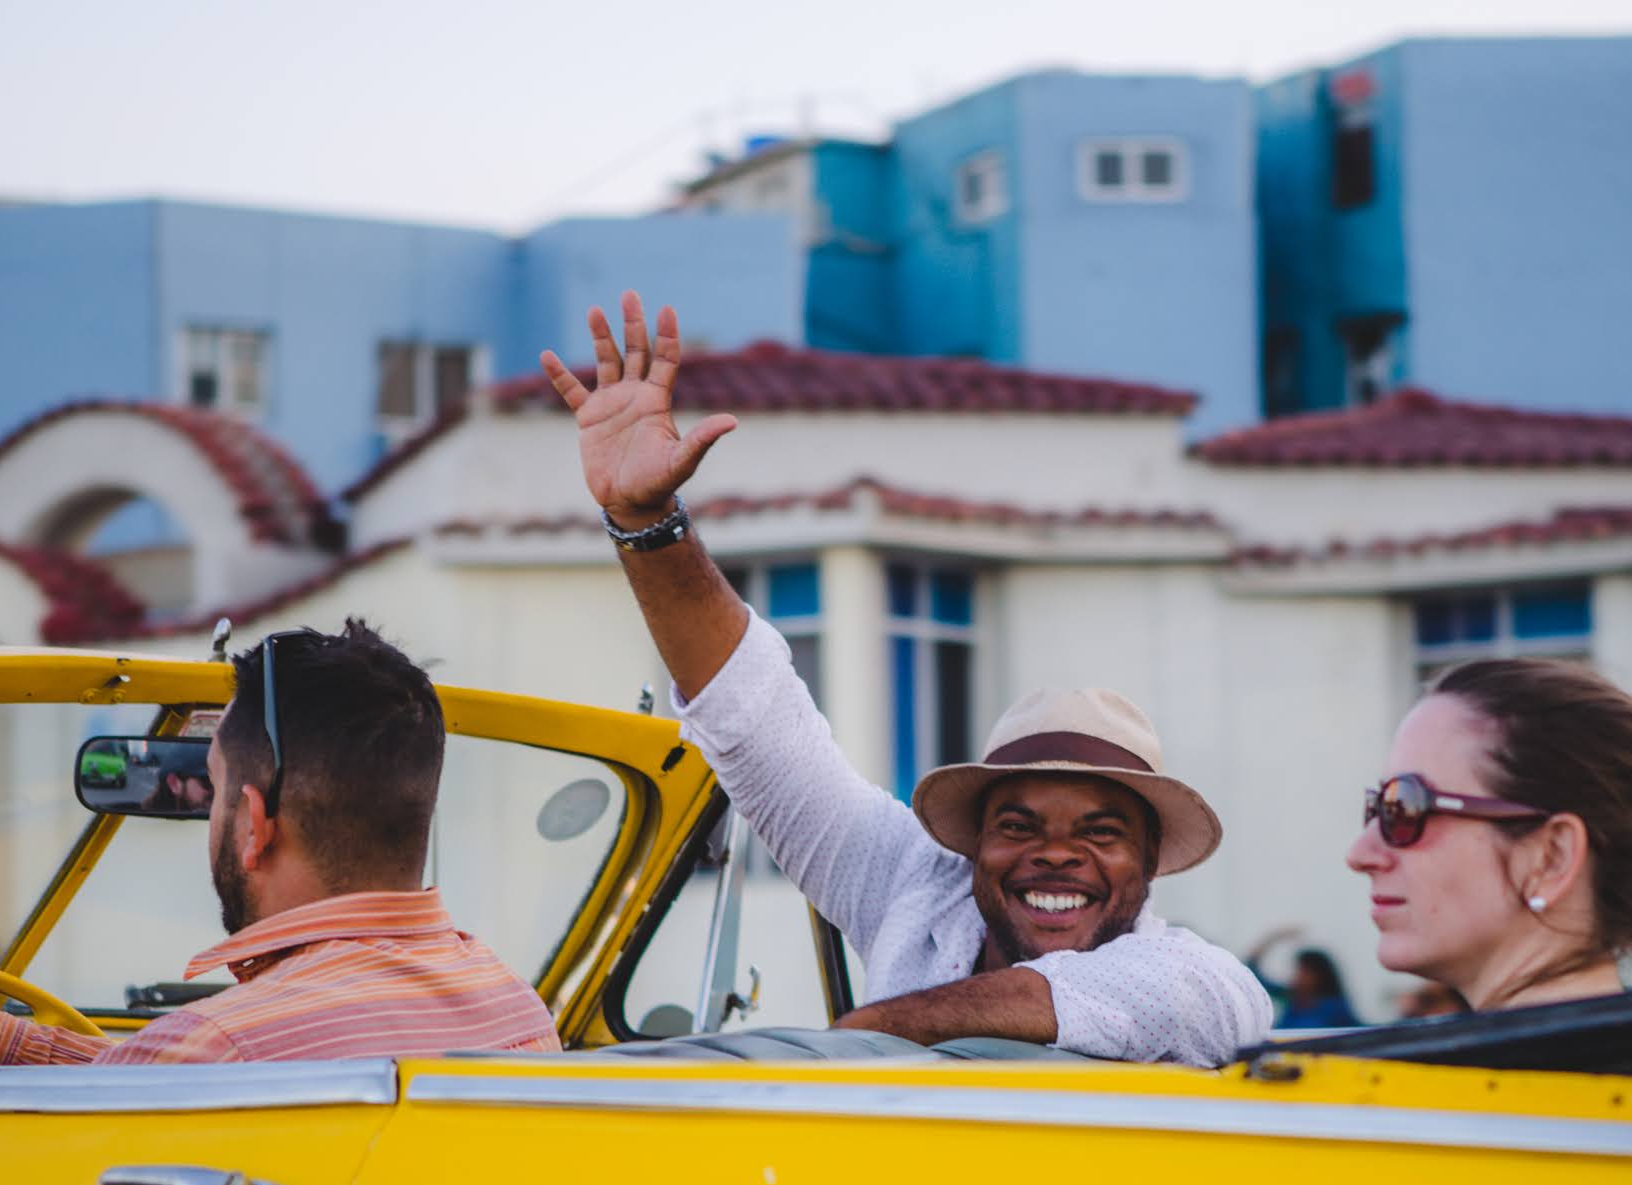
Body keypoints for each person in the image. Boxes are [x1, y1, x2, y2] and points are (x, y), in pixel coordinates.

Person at [536, 291, 1271, 1066]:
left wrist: (857, 1038)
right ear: (973, 846)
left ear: (1150, 865)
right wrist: (646, 522)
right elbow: (753, 724)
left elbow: (1061, 999)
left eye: (1101, 831)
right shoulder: (915, 891)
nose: (1056, 855)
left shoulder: (1198, 981)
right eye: (1018, 826)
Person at [0, 621, 560, 1063]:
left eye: (215, 787)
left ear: (255, 825)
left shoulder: (221, 1045)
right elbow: (142, 1081)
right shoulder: (521, 1014)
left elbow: (148, 1089)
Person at [1345, 657, 1632, 1011]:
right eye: (1377, 807)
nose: (1360, 853)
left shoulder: (1523, 1108)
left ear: (1552, 856)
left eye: (1405, 808)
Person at [1243, 927, 1362, 1029]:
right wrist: (1275, 936)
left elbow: (1357, 1033)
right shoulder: (1293, 998)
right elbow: (1252, 974)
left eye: (1304, 972)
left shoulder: (1334, 1007)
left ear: (1319, 976)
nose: (1297, 975)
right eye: (1297, 970)